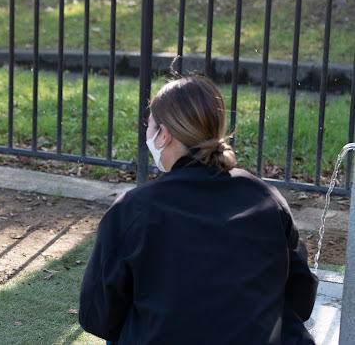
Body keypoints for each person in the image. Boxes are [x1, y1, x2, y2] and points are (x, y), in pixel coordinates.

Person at [79, 74, 318, 344]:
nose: (147, 133)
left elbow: (96, 316)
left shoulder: (134, 209)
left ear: (163, 135)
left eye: (149, 125)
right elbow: (302, 295)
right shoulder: (267, 198)